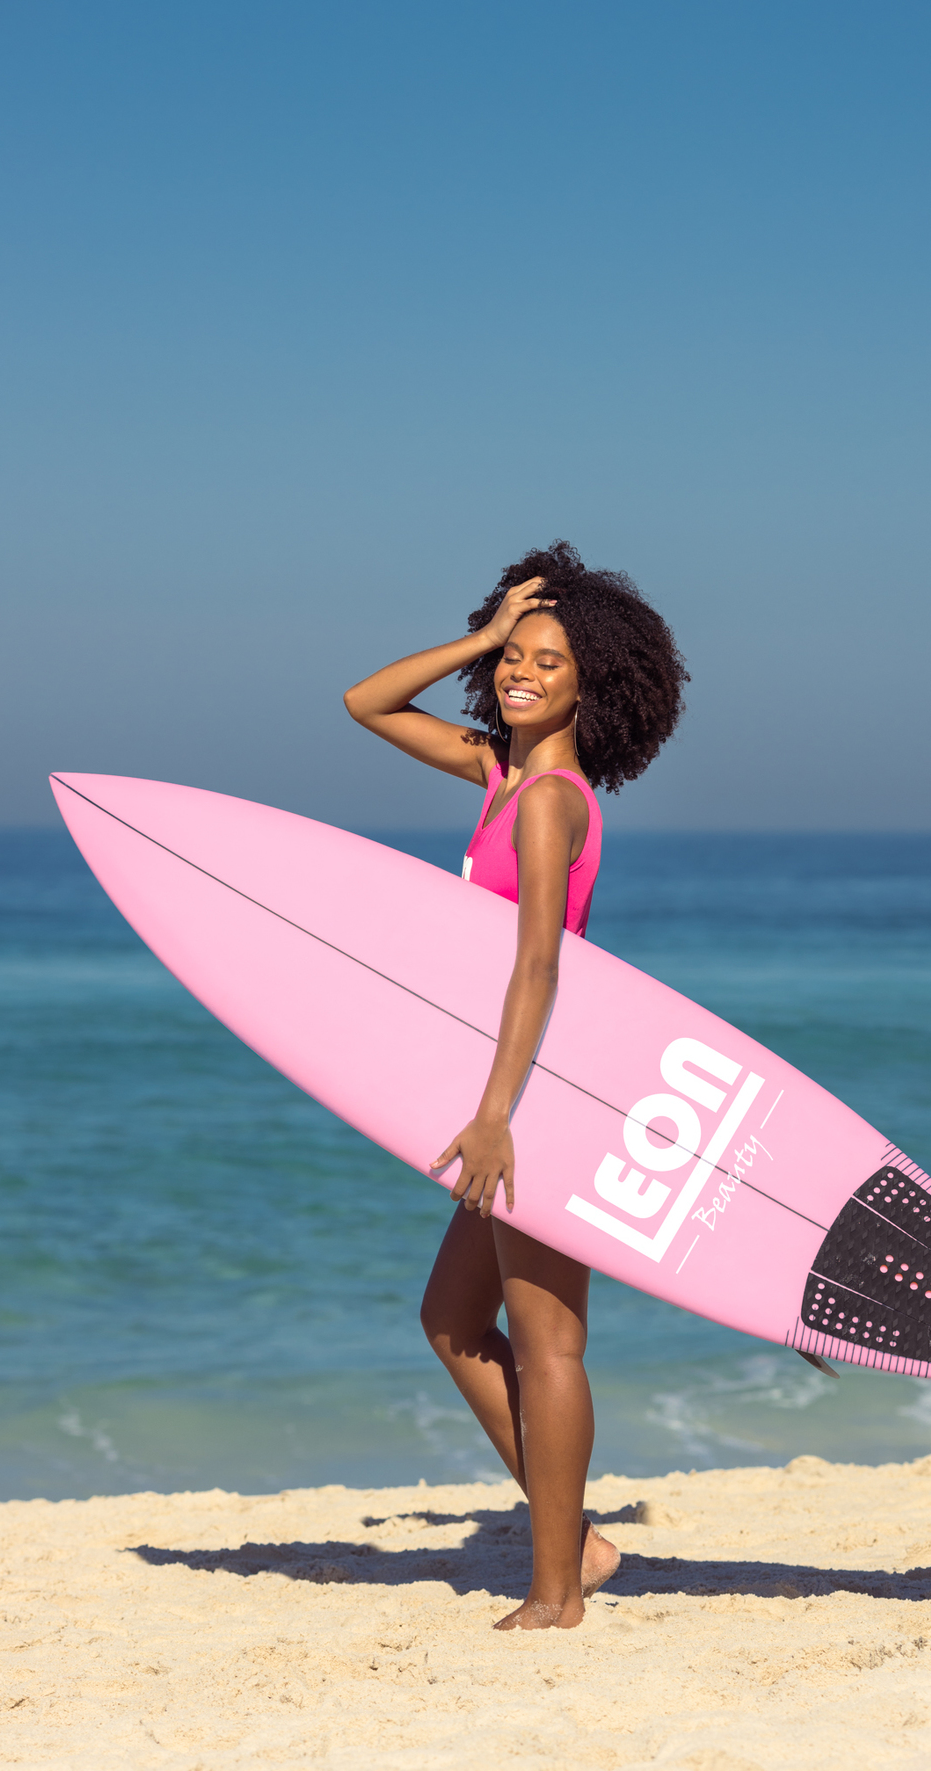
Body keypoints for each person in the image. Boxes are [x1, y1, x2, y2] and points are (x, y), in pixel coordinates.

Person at [344, 540, 688, 1629]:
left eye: (548, 659)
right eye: (513, 657)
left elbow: (540, 960)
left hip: (542, 1096)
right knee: (451, 1318)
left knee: (549, 1343)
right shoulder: (502, 775)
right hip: (518, 1087)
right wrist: (486, 634)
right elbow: (368, 702)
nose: (520, 673)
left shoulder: (549, 799)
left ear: (595, 683)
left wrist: (493, 1116)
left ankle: (555, 1589)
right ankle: (574, 1541)